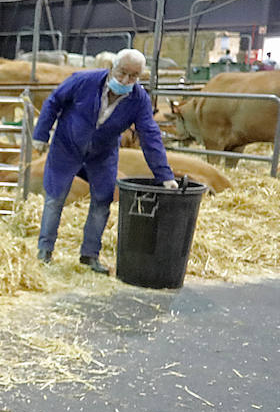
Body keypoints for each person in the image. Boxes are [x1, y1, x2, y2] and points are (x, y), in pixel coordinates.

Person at [32, 48, 177, 274]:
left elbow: (150, 135)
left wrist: (165, 175)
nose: (127, 80)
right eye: (122, 73)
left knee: (102, 200)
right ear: (112, 68)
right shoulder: (83, 81)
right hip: (67, 147)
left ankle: (90, 255)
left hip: (102, 154)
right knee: (55, 197)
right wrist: (41, 134)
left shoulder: (138, 100)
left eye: (134, 76)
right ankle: (45, 252)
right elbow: (54, 101)